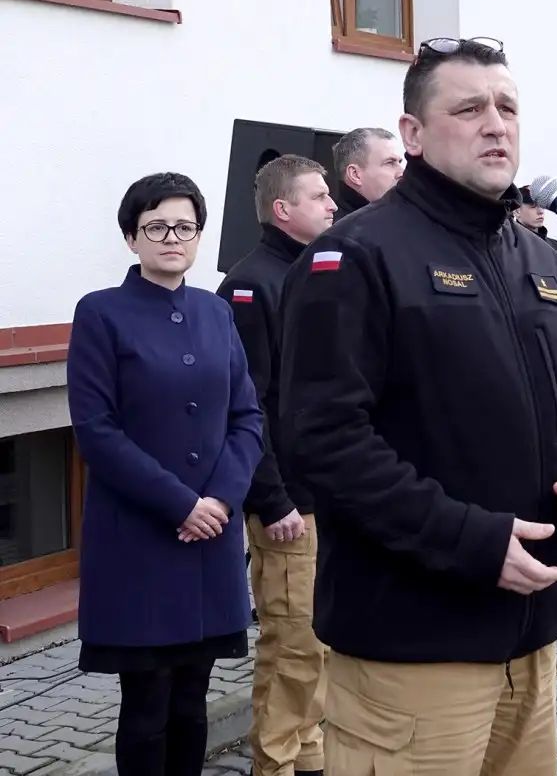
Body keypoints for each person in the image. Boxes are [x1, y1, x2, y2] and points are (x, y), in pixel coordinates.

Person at [278, 36, 557, 776]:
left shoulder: (545, 264)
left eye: (506, 107)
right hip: (411, 651)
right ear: (412, 135)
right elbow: (323, 441)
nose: (495, 124)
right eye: (468, 109)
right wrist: (469, 541)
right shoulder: (357, 256)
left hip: (530, 645)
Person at [66, 173, 263, 776]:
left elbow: (247, 416)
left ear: (199, 236)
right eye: (156, 226)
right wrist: (183, 505)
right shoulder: (101, 313)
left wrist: (223, 502)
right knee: (147, 705)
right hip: (142, 538)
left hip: (212, 538)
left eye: (185, 226)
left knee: (192, 702)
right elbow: (96, 430)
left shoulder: (215, 311)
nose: (171, 237)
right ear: (132, 237)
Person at [215, 155, 336, 776]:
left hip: (326, 496)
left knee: (317, 646)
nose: (333, 204)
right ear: (283, 210)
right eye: (319, 196)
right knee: (291, 646)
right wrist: (273, 497)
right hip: (289, 503)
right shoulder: (251, 284)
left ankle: (308, 756)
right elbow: (249, 404)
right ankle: (277, 763)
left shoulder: (317, 272)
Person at [330, 126, 405, 220]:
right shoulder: (339, 231)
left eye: (399, 162)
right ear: (355, 174)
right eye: (389, 163)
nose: (402, 173)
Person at [517, 183, 557, 259]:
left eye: (542, 205)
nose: (541, 211)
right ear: (516, 211)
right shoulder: (506, 246)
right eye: (533, 206)